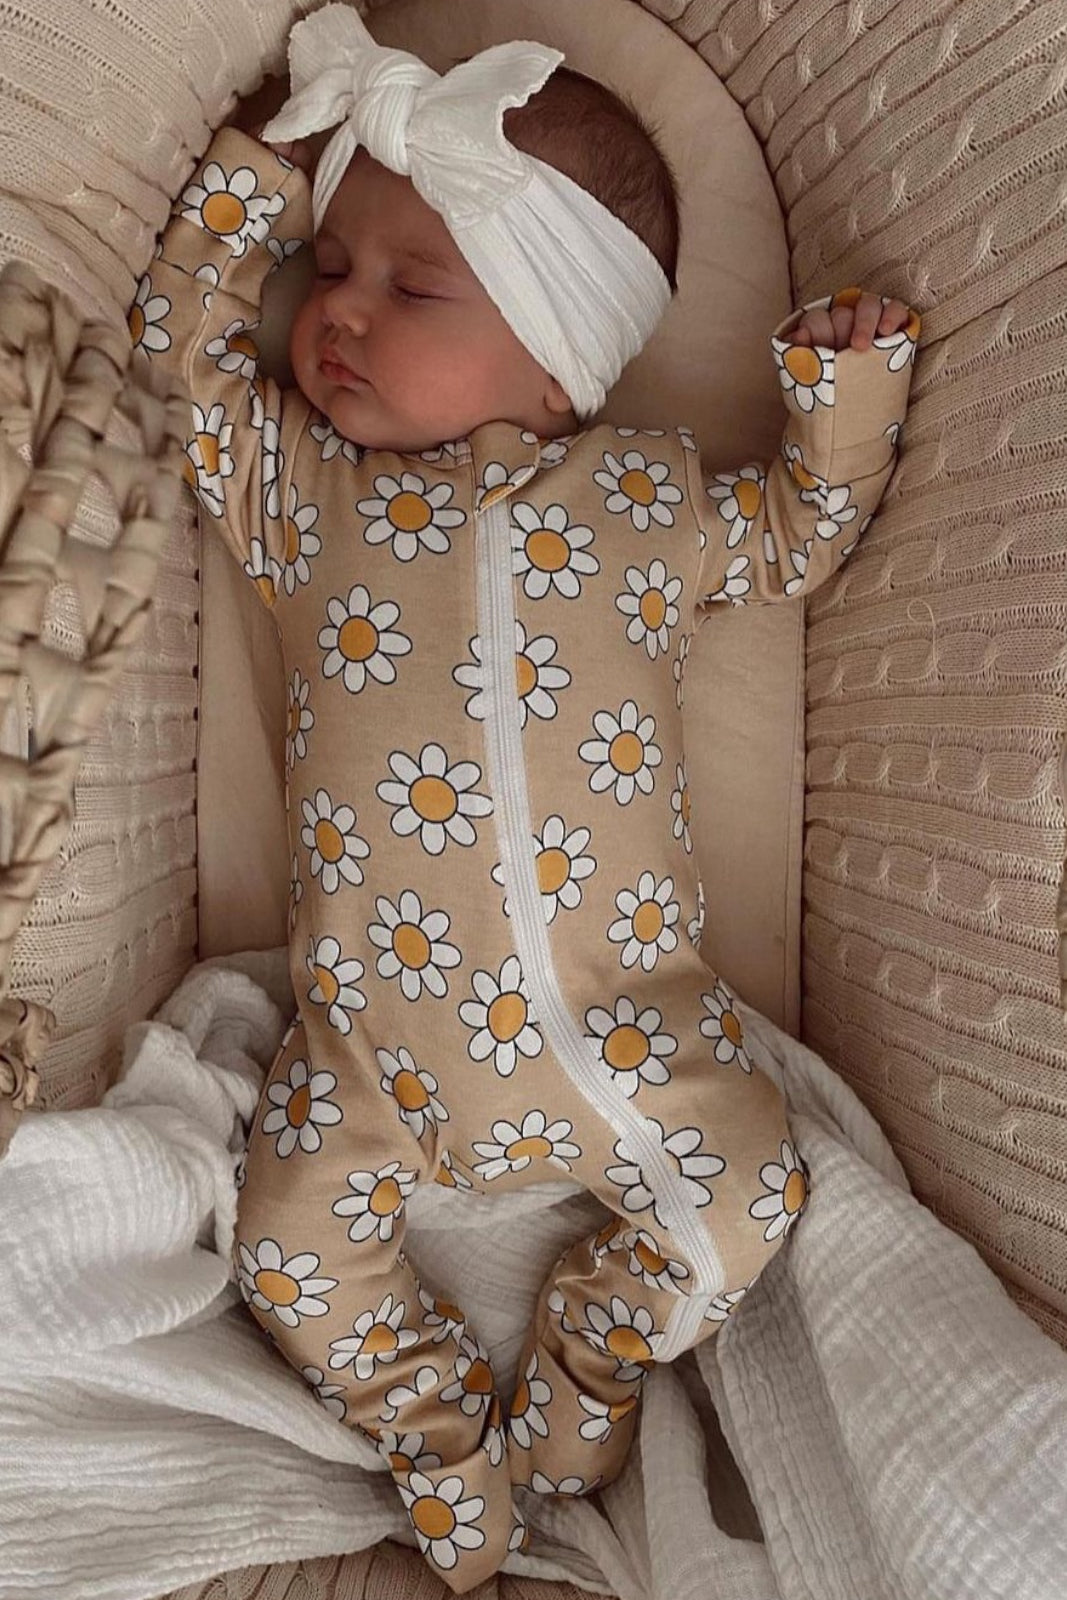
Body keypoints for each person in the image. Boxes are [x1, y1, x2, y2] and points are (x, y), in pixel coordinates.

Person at [129, 5, 920, 1590]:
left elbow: (791, 540)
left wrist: (844, 402)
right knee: (284, 1246)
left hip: (636, 1043)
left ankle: (591, 1363)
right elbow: (181, 365)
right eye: (332, 269)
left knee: (751, 1194)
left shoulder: (637, 496)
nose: (335, 311)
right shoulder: (304, 493)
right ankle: (431, 1426)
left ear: (559, 360)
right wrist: (259, 187)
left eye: (411, 285)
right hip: (371, 1056)